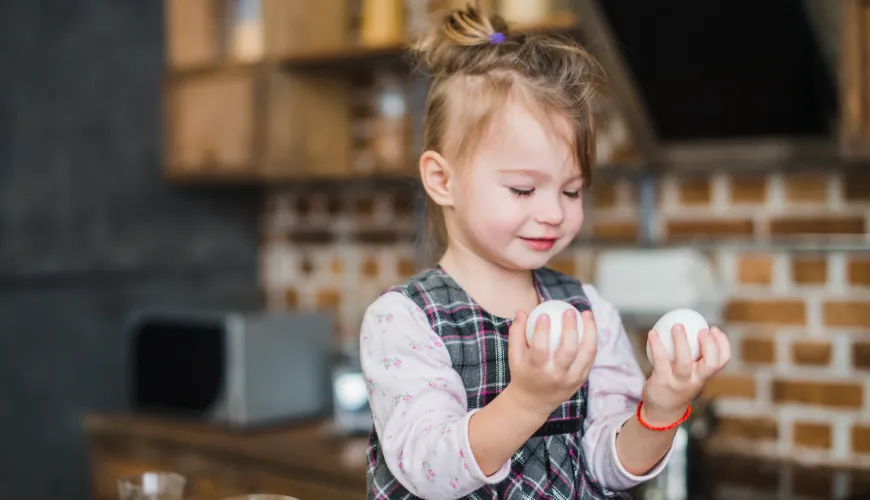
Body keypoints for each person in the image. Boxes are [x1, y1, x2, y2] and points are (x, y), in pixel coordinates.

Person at [360, 4, 731, 499]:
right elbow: (430, 468)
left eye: (572, 191)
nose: (555, 213)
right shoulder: (403, 320)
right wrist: (529, 400)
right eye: (522, 189)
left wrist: (662, 407)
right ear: (441, 180)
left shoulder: (590, 311)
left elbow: (610, 466)